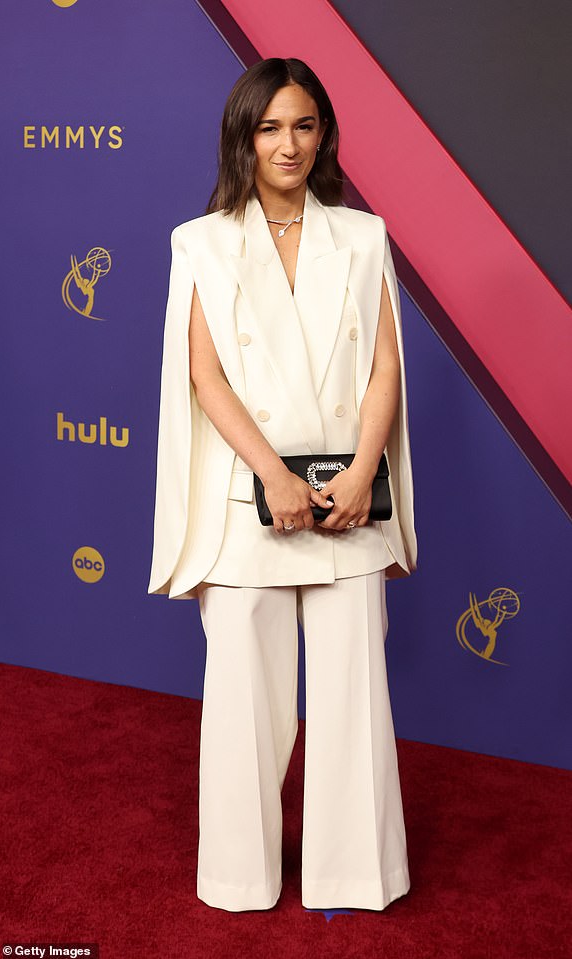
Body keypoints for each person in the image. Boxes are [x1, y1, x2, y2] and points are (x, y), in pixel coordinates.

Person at [148, 57, 417, 913]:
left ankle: (356, 875)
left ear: (324, 133)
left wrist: (363, 470)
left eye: (303, 125)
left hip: (350, 498)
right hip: (245, 503)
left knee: (353, 701)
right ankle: (238, 878)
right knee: (242, 707)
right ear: (243, 137)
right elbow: (205, 374)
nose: (288, 143)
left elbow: (384, 369)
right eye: (270, 127)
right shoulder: (202, 241)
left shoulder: (364, 234)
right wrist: (273, 475)